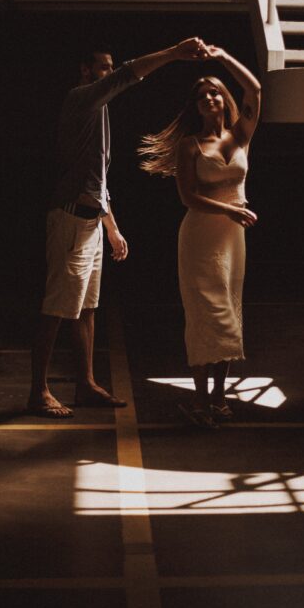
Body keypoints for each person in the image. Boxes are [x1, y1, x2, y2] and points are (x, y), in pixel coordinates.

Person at [27, 37, 209, 417]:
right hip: (70, 219)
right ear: (86, 71)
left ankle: (86, 383)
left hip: (91, 221)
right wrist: (174, 53)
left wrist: (111, 226)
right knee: (57, 307)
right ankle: (39, 391)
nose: (109, 73)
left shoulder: (102, 112)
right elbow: (130, 74)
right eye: (103, 67)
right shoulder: (82, 98)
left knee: (88, 308)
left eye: (109, 67)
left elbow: (98, 179)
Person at [139, 46, 261, 428]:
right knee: (204, 316)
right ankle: (200, 400)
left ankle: (218, 399)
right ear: (196, 106)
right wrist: (231, 210)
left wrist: (223, 57)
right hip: (200, 238)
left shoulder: (241, 135)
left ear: (224, 100)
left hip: (232, 242)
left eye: (214, 92)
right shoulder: (190, 145)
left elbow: (255, 90)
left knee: (228, 316)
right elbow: (188, 197)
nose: (208, 98)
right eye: (201, 95)